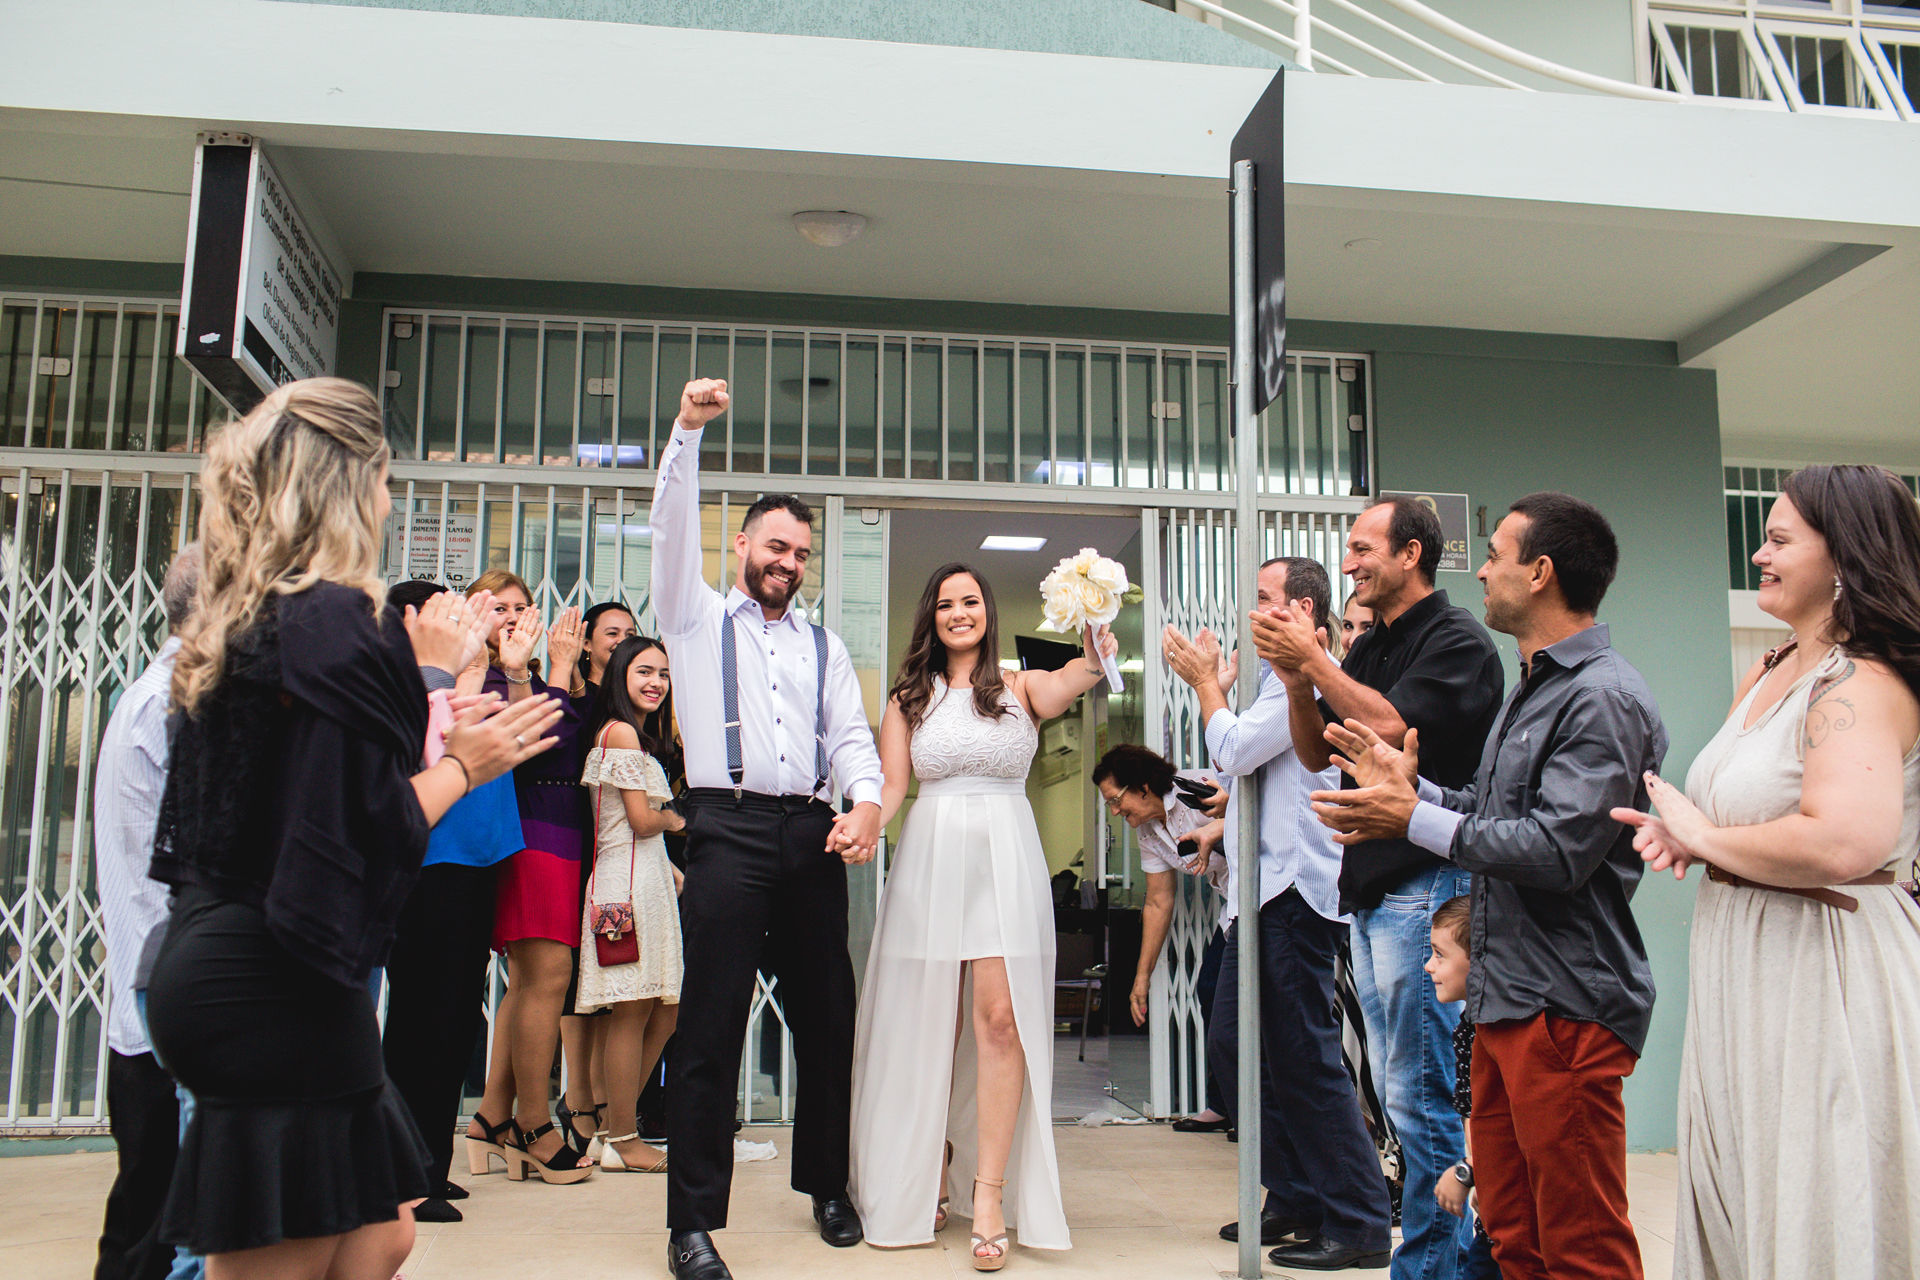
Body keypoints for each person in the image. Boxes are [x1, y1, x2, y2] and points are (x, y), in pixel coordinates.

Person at [141, 377, 564, 1280]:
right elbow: (361, 831)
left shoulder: (253, 612)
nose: (387, 499)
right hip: (268, 976)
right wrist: (456, 744)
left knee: (384, 1231)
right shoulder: (336, 621)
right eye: (382, 479)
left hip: (238, 959)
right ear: (349, 484)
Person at [1316, 492, 1663, 1280]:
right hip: (1507, 998)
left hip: (1566, 1002)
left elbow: (1557, 850)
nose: (1481, 569)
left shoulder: (1601, 695)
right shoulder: (1534, 687)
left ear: (1540, 573)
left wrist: (1412, 821)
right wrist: (1418, 796)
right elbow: (1490, 810)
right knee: (1513, 1234)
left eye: (1498, 555)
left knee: (1579, 1242)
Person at [1613, 464, 1920, 1280]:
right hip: (1747, 956)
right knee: (1746, 1182)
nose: (1757, 555)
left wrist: (1704, 836)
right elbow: (1743, 817)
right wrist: (1690, 836)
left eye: (1780, 539)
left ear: (1845, 556)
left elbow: (1843, 843)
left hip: (1825, 963)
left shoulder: (1860, 681)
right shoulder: (1776, 664)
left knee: (1816, 1193)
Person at [653, 378, 886, 1280]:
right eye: (775, 545)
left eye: (801, 551)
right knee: (709, 1028)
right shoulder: (694, 616)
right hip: (726, 828)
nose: (787, 560)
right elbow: (671, 528)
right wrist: (686, 434)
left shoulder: (824, 646)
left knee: (830, 1018)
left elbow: (854, 741)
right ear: (743, 546)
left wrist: (865, 803)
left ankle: (827, 1186)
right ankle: (691, 1224)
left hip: (809, 836)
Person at [1257, 497, 1504, 1280]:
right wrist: (1299, 679)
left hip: (1427, 887)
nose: (1350, 563)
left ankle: (1436, 1268)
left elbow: (1390, 729)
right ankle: (1432, 1261)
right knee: (1399, 1095)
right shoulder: (1371, 645)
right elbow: (1319, 751)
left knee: (1425, 1094)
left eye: (1363, 548)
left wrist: (1317, 659)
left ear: (1411, 554)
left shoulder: (1457, 640)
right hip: (1369, 893)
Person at [851, 563, 1113, 1268]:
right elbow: (893, 783)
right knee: (931, 1022)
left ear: (986, 612)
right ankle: (923, 1164)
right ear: (930, 617)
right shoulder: (908, 698)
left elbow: (1074, 681)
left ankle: (989, 1192)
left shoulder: (1021, 686)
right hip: (931, 859)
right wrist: (865, 820)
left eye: (970, 601)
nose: (959, 613)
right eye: (945, 603)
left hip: (1006, 858)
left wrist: (1093, 649)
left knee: (1000, 1020)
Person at [1166, 556, 1394, 1272]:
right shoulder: (1274, 682)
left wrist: (1205, 688)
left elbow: (1232, 748)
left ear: (1301, 609)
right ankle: (1294, 1194)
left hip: (1295, 893)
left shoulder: (1309, 675)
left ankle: (1358, 1219)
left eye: (1264, 598)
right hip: (1258, 895)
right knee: (1238, 1044)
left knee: (1305, 1059)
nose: (1252, 609)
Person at [380, 579, 525, 1224]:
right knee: (420, 1023)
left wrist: (507, 669)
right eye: (446, 612)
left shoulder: (474, 677)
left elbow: (519, 732)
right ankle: (403, 1179)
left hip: (475, 865)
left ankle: (429, 1167)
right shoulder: (404, 691)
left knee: (455, 1020)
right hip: (429, 865)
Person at [461, 570, 597, 1182]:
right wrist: (560, 671)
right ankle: (535, 1126)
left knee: (531, 982)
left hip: (565, 834)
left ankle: (492, 1116)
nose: (513, 616)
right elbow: (533, 740)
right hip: (534, 834)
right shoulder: (485, 679)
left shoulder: (534, 677)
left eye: (522, 606)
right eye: (499, 608)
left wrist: (565, 669)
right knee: (547, 976)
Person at [93, 544, 200, 1280]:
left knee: (147, 1219)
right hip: (168, 1009)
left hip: (154, 1004)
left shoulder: (161, 695)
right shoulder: (172, 706)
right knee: (157, 1228)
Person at [576, 634, 685, 1174]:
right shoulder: (620, 732)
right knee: (633, 1012)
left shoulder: (631, 734)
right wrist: (680, 819)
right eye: (644, 671)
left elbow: (625, 824)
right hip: (625, 891)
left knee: (662, 1009)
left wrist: (669, 865)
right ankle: (622, 1135)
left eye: (663, 674)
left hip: (642, 882)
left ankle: (610, 1127)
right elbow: (643, 822)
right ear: (620, 675)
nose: (655, 683)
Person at [1090, 744, 1229, 1133]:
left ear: (1144, 787)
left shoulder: (1198, 791)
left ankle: (1244, 1108)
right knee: (1213, 993)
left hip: (1271, 898)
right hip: (1235, 909)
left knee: (1223, 993)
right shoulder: (1150, 832)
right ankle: (1226, 1104)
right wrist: (1141, 978)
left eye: (1116, 800)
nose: (1116, 812)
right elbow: (1158, 901)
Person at [556, 600, 640, 1161]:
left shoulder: (634, 706)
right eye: (612, 633)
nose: (622, 642)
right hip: (582, 849)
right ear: (587, 643)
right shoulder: (585, 705)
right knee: (578, 983)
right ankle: (581, 1102)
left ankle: (602, 1107)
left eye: (630, 634)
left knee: (615, 990)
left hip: (620, 858)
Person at [1423, 897, 1499, 1280]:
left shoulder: (1493, 1034)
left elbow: (1502, 1125)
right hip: (1489, 1220)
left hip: (1506, 1222)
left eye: (1440, 954)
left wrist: (1468, 1171)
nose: (1429, 965)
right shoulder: (1469, 1026)